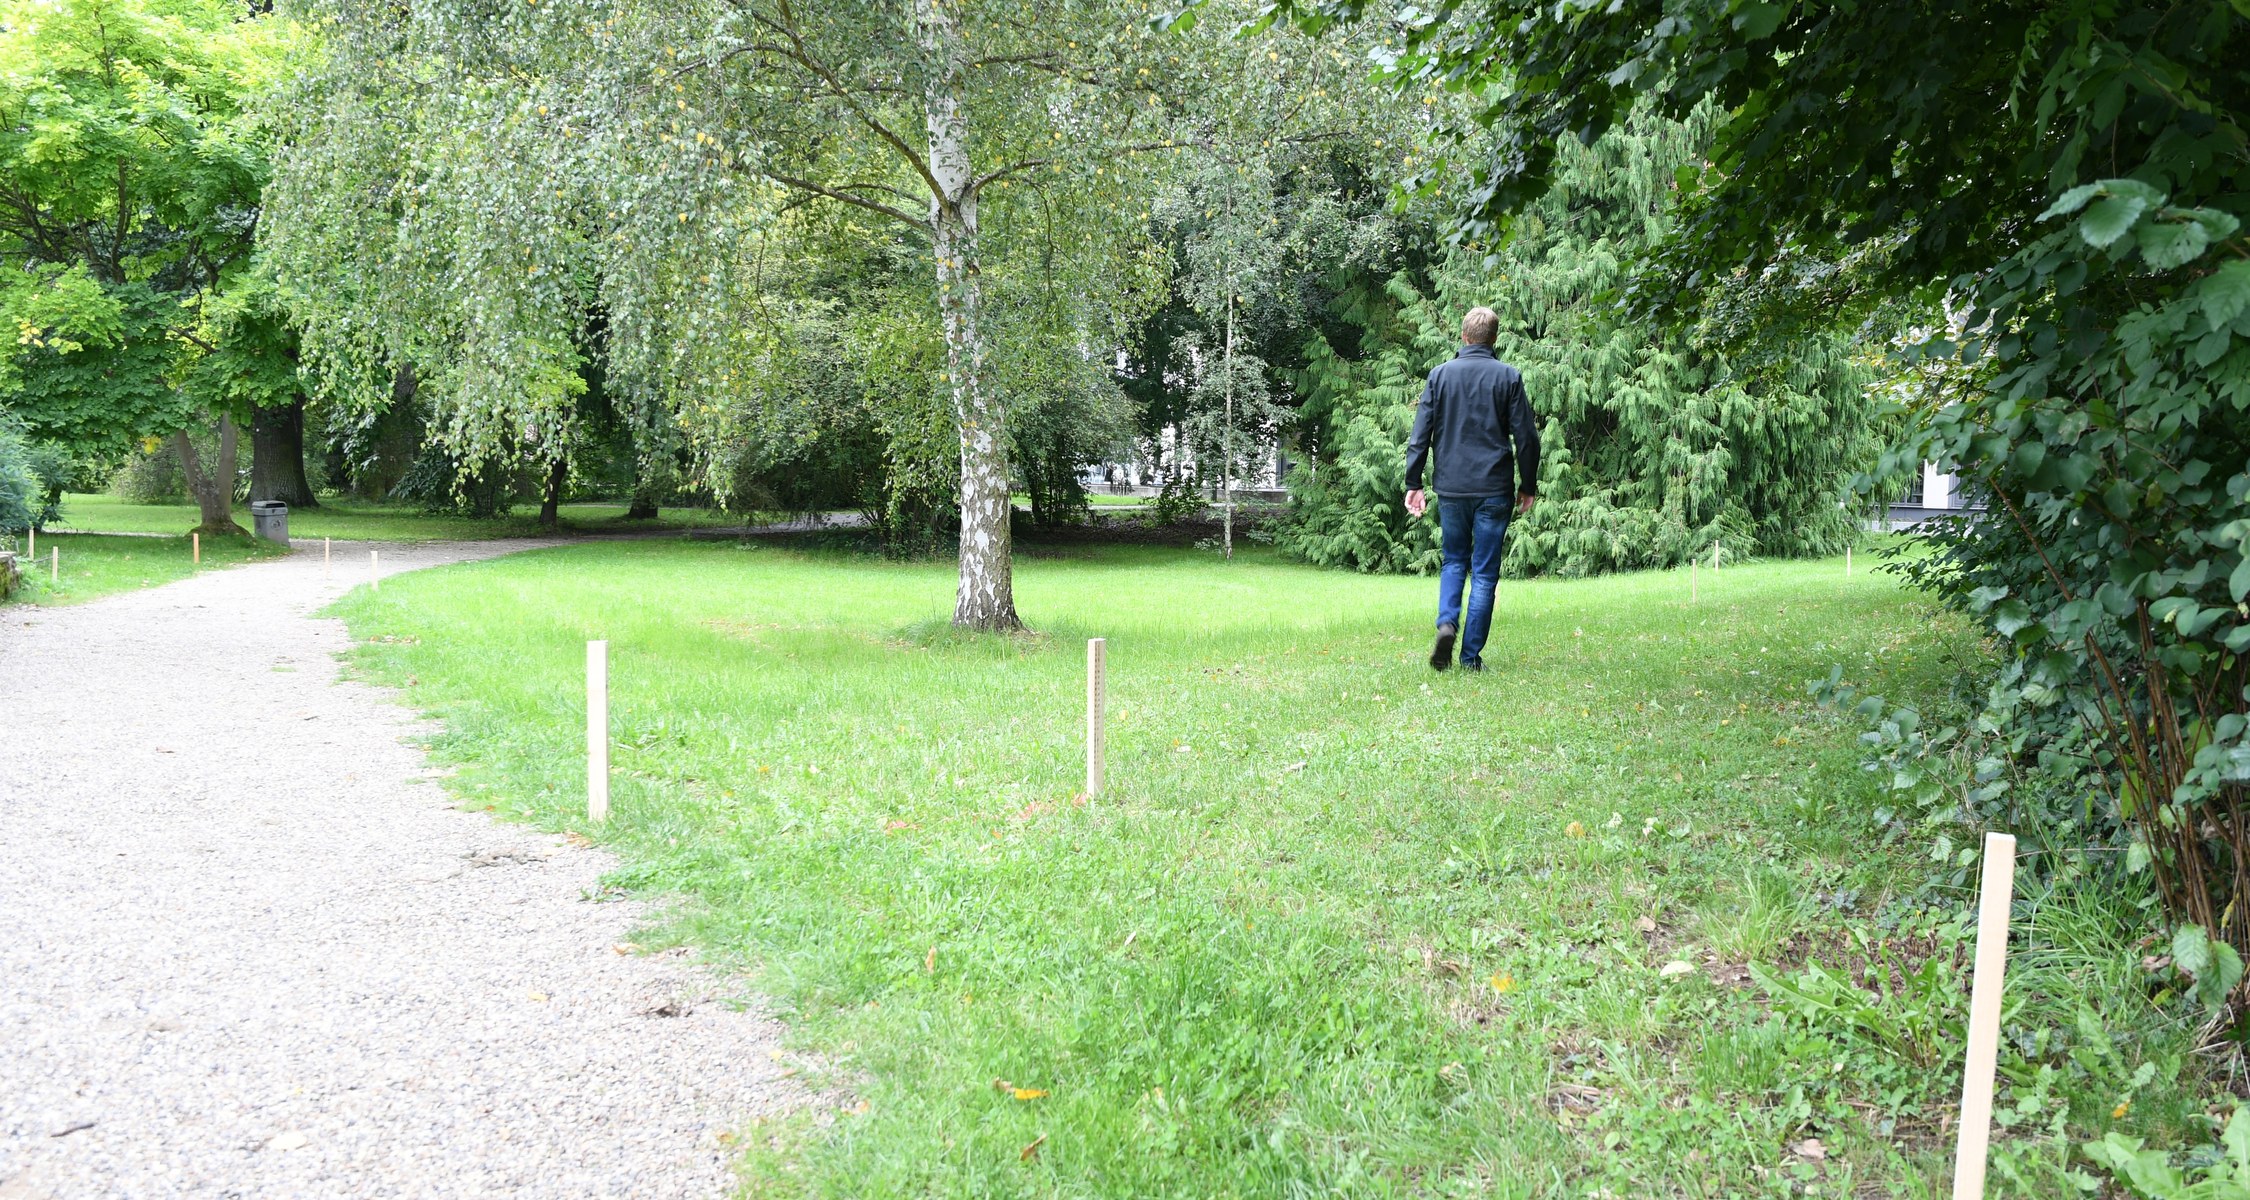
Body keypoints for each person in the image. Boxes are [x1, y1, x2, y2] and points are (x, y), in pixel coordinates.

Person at [1402, 306, 1540, 672]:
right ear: (1494, 339)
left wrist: (1414, 483)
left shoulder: (1440, 376)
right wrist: (1528, 485)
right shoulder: (1508, 377)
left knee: (1454, 560)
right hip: (1494, 487)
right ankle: (1470, 658)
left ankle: (1447, 623)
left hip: (1452, 487)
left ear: (1464, 336)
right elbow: (1526, 438)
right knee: (1484, 572)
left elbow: (1420, 435)